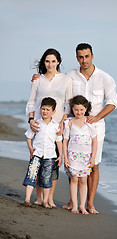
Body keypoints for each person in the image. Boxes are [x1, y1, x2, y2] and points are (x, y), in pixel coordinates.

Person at [62, 43, 117, 213]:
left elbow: (113, 102)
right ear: (76, 57)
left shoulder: (105, 78)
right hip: (74, 126)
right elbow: (60, 91)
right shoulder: (70, 76)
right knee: (72, 164)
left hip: (95, 128)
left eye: (87, 56)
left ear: (92, 56)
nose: (84, 60)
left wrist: (97, 117)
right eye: (80, 57)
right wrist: (38, 77)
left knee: (93, 164)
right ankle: (73, 201)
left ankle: (89, 203)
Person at [26, 48, 72, 208]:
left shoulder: (66, 79)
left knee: (53, 164)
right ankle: (39, 198)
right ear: (43, 62)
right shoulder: (38, 79)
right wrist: (31, 120)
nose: (50, 64)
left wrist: (62, 122)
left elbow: (68, 103)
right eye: (47, 61)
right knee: (37, 162)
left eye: (53, 61)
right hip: (39, 125)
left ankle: (50, 198)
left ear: (58, 62)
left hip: (57, 127)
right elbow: (31, 101)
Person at [23, 97, 62, 208]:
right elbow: (29, 137)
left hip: (50, 156)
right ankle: (27, 199)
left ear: (53, 112)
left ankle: (45, 201)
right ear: (40, 109)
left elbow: (58, 142)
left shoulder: (55, 125)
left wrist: (61, 156)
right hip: (36, 154)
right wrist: (30, 148)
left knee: (46, 178)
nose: (44, 111)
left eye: (47, 110)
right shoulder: (36, 123)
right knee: (31, 175)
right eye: (43, 109)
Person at [63, 95, 97, 214]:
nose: (79, 112)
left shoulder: (90, 123)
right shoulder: (69, 123)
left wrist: (93, 158)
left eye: (82, 109)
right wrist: (65, 157)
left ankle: (83, 206)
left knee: (83, 180)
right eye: (76, 109)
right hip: (72, 155)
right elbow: (65, 141)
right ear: (72, 109)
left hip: (86, 157)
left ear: (86, 109)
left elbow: (95, 141)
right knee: (74, 179)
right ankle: (75, 206)